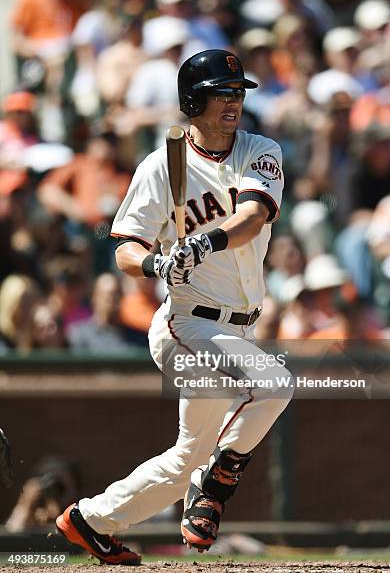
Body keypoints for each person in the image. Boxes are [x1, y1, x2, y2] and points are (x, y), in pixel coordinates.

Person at [56, 49, 293, 564]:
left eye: (237, 92)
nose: (233, 101)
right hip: (188, 322)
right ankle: (215, 481)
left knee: (185, 456)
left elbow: (252, 217)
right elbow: (125, 248)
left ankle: (89, 520)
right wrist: (155, 266)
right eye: (220, 93)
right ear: (193, 100)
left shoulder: (259, 148)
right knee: (274, 383)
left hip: (239, 326)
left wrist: (202, 244)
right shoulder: (161, 165)